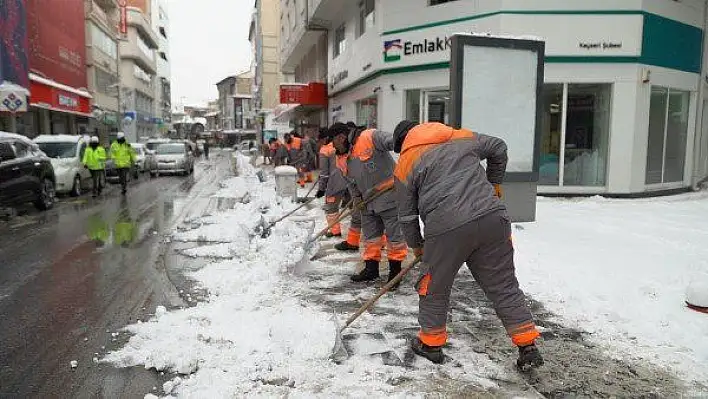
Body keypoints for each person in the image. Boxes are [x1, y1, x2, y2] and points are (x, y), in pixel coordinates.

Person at [392, 120, 543, 369]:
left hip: (446, 228)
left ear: (403, 144)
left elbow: (407, 216)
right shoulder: (459, 137)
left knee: (433, 286)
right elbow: (499, 147)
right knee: (503, 284)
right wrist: (494, 184)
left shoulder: (405, 164)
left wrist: (417, 246)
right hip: (493, 219)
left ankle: (430, 344)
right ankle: (527, 344)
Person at [329, 122, 408, 287]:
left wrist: (404, 140)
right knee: (371, 237)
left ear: (341, 137)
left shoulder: (369, 137)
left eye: (332, 140)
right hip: (368, 203)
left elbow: (392, 141)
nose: (332, 145)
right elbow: (351, 184)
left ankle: (395, 273)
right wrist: (358, 201)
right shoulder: (341, 159)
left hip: (390, 196)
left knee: (395, 238)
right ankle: (371, 269)